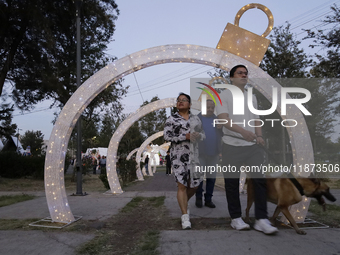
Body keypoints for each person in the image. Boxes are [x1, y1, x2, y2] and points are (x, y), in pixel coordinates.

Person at [215, 64, 278, 235]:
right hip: (231, 145)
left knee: (259, 181)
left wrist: (260, 136)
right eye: (240, 73)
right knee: (232, 183)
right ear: (232, 77)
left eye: (246, 73)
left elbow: (257, 119)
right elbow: (223, 119)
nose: (244, 75)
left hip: (253, 147)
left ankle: (261, 220)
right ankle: (236, 218)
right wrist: (243, 132)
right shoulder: (223, 96)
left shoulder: (252, 97)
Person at [164, 93, 205, 230]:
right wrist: (184, 136)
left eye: (183, 100)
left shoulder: (196, 119)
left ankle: (183, 204)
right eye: (178, 101)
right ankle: (185, 216)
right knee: (181, 185)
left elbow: (203, 135)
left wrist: (199, 135)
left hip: (194, 156)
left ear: (189, 104)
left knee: (195, 185)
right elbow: (166, 135)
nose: (180, 102)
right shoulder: (172, 119)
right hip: (178, 156)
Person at [195, 99, 222, 209]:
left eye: (212, 108)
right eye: (208, 107)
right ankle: (198, 198)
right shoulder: (196, 119)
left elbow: (222, 134)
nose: (210, 109)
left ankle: (208, 199)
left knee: (211, 178)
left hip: (213, 154)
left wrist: (221, 128)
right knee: (199, 178)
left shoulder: (217, 120)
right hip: (200, 153)